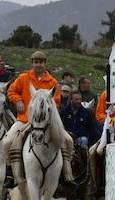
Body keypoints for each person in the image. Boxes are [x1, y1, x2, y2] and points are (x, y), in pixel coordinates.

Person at [6, 50, 74, 181]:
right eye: (36, 62)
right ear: (32, 63)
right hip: (25, 120)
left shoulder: (53, 82)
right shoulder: (23, 78)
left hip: (47, 122)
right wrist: (18, 101)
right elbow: (11, 91)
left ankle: (67, 172)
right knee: (7, 142)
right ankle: (10, 173)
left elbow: (57, 101)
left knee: (68, 141)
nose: (38, 65)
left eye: (41, 62)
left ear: (45, 63)